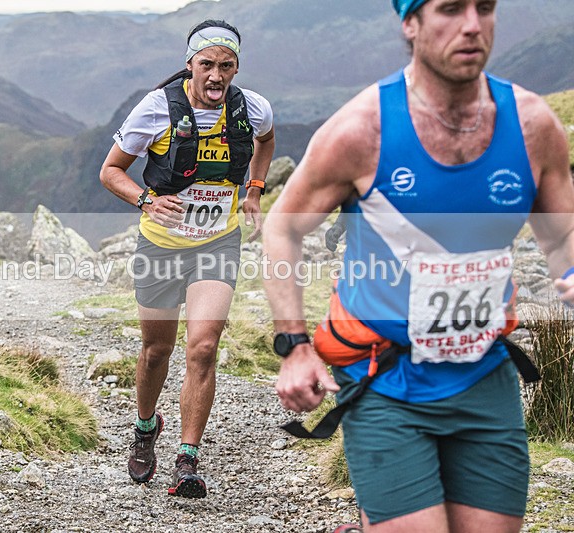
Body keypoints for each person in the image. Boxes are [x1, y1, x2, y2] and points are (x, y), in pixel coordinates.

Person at [262, 0, 574, 530]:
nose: (473, 24)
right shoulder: (362, 130)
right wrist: (294, 346)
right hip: (386, 380)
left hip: (485, 375)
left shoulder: (531, 125)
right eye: (451, 9)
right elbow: (282, 227)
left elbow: (562, 233)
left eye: (485, 7)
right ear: (411, 23)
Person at [100, 19, 275, 498]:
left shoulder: (251, 108)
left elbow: (266, 140)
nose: (216, 76)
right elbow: (110, 170)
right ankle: (144, 427)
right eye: (207, 65)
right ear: (189, 65)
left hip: (217, 243)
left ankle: (187, 459)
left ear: (236, 66)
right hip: (160, 245)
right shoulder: (157, 109)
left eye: (226, 65)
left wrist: (255, 190)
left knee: (202, 345)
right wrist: (145, 200)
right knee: (158, 350)